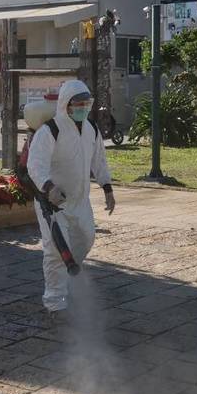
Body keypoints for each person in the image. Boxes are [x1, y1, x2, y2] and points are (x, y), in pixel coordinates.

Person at [26, 79, 115, 320]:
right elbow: (35, 165)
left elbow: (99, 160)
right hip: (52, 203)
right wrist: (48, 187)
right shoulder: (50, 131)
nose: (83, 108)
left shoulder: (91, 129)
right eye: (78, 104)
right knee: (55, 250)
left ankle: (67, 274)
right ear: (66, 105)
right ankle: (55, 303)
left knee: (86, 238)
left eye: (87, 104)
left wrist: (107, 186)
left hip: (80, 201)